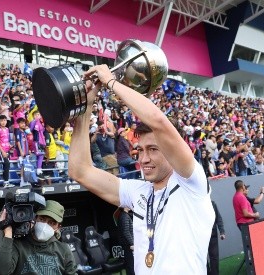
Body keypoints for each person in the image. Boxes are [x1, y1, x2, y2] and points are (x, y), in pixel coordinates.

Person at [68, 65, 214, 274]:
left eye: (153, 149)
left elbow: (158, 121)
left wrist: (110, 82)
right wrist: (86, 107)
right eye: (140, 150)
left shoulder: (192, 184)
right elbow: (79, 171)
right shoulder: (138, 191)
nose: (144, 159)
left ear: (173, 150)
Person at [0, 200, 77, 274]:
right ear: (35, 218)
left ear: (58, 227)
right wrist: (8, 232)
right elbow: (2, 271)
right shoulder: (19, 245)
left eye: (52, 223)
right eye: (42, 219)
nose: (45, 225)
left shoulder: (63, 250)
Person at [208, 201, 225, 275]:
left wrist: (222, 232)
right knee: (202, 258)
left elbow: (218, 218)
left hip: (212, 235)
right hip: (200, 237)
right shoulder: (194, 204)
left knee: (214, 257)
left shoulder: (212, 203)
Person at [115, 207, 134, 275]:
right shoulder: (124, 216)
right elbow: (126, 232)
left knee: (130, 265)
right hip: (128, 245)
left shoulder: (125, 215)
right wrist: (132, 243)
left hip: (128, 244)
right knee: (131, 266)